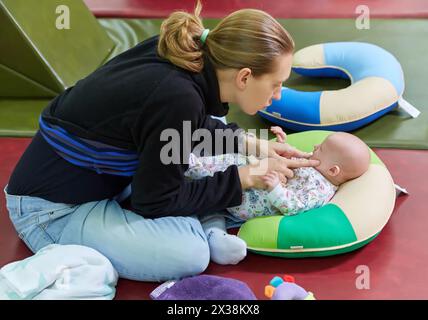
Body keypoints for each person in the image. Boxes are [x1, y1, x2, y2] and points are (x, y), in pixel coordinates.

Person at [3, 1, 319, 281]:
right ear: (245, 77)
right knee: (191, 254)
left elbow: (178, 128)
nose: (277, 95)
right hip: (53, 211)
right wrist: (243, 177)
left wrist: (253, 143)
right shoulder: (179, 99)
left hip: (109, 179)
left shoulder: (188, 50)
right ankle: (207, 225)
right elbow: (154, 200)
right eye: (275, 85)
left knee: (218, 129)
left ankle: (206, 218)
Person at [184, 129, 371, 264]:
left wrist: (275, 187)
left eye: (320, 148)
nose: (315, 146)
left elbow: (294, 206)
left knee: (236, 161)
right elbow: (288, 159)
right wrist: (282, 143)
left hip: (252, 198)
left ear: (333, 170)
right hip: (250, 189)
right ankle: (196, 177)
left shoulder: (320, 189)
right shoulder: (316, 164)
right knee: (237, 164)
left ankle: (193, 165)